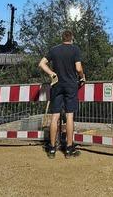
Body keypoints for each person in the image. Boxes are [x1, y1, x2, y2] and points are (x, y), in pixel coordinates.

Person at [38, 30, 85, 159]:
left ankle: (52, 149)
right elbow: (79, 68)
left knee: (55, 116)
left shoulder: (54, 50)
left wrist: (51, 73)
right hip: (70, 86)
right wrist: (82, 77)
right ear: (72, 38)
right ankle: (69, 149)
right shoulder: (75, 50)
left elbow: (41, 64)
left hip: (57, 85)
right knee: (69, 116)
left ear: (62, 38)